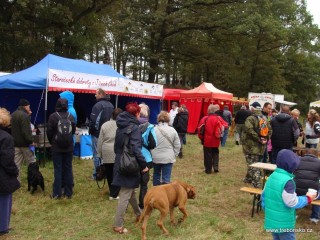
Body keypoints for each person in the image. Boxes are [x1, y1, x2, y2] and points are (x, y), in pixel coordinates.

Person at [262, 149, 317, 239]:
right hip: (284, 223)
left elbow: (264, 195)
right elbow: (292, 202)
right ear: (292, 166)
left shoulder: (272, 176)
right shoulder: (287, 182)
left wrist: (267, 210)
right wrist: (308, 198)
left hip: (271, 220)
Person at [112, 102, 148, 234]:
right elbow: (137, 150)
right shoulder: (134, 128)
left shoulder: (120, 126)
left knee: (130, 190)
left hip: (120, 161)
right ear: (137, 113)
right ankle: (118, 225)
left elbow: (117, 147)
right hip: (129, 164)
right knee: (125, 195)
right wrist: (143, 166)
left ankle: (139, 214)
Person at [47, 98, 76, 199]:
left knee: (58, 170)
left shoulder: (53, 117)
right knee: (68, 169)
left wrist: (53, 142)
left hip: (57, 147)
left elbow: (49, 132)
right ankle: (68, 193)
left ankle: (57, 193)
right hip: (69, 147)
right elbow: (73, 131)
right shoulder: (71, 116)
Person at [0, 108, 20, 236]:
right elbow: (7, 160)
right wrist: (15, 171)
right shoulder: (6, 138)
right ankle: (2, 227)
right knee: (4, 200)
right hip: (2, 175)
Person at [242, 104, 271, 188]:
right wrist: (265, 139)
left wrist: (258, 139)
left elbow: (249, 130)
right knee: (254, 162)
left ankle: (256, 182)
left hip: (250, 146)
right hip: (261, 146)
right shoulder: (265, 119)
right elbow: (270, 130)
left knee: (253, 164)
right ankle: (248, 178)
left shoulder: (250, 119)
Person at [97, 108, 123, 200]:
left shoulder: (104, 125)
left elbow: (100, 140)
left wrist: (99, 153)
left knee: (109, 172)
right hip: (117, 150)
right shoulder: (121, 125)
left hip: (106, 150)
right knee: (117, 173)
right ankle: (114, 193)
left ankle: (112, 191)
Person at [89, 88, 114, 179]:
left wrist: (91, 130)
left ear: (100, 94)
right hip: (109, 133)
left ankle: (98, 174)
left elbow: (94, 120)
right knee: (106, 155)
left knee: (97, 154)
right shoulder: (111, 105)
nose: (95, 95)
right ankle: (106, 173)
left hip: (98, 133)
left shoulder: (97, 105)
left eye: (96, 94)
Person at [151, 111, 180, 185]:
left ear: (158, 119)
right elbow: (177, 145)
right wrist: (174, 155)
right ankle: (165, 194)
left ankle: (156, 192)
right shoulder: (172, 130)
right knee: (166, 179)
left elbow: (150, 144)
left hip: (155, 157)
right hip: (168, 157)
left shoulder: (153, 130)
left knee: (156, 175)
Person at [11, 98, 35, 181]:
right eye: (29, 106)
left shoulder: (13, 114)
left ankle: (15, 181)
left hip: (15, 144)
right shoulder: (25, 116)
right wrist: (31, 141)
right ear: (25, 106)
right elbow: (26, 132)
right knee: (32, 163)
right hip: (25, 144)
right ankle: (33, 180)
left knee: (16, 164)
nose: (29, 108)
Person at [138, 103, 157, 209]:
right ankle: (142, 205)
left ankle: (126, 204)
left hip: (132, 157)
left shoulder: (131, 124)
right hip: (145, 157)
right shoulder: (149, 127)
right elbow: (153, 143)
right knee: (144, 184)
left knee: (129, 184)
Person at [294, 148, 320, 224]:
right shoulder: (319, 162)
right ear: (317, 155)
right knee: (318, 192)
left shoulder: (297, 160)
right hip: (312, 192)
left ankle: (292, 213)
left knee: (295, 191)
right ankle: (314, 217)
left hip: (296, 189)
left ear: (305, 153)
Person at [197, 104, 226, 174]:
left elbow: (200, 130)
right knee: (216, 153)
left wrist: (201, 139)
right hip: (216, 139)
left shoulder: (205, 118)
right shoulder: (218, 118)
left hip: (207, 140)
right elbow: (225, 125)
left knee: (208, 155)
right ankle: (216, 167)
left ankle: (208, 170)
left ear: (208, 110)